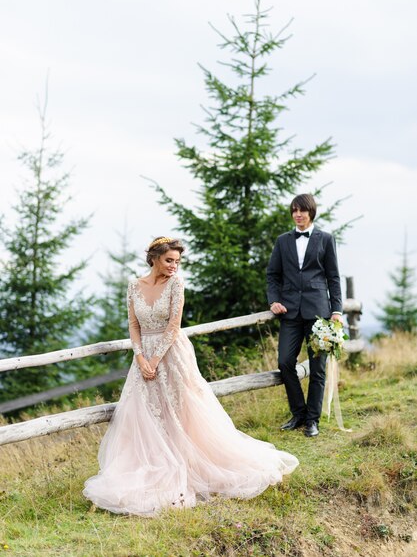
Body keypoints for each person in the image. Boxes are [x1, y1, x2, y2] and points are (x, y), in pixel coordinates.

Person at [83, 236, 298, 516]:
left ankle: (192, 464)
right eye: (169, 260)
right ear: (154, 259)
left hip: (171, 354)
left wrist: (155, 359)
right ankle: (151, 465)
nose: (174, 266)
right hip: (143, 357)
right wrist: (140, 357)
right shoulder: (134, 286)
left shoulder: (176, 284)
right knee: (146, 412)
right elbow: (133, 324)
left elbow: (174, 325)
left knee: (181, 409)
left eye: (177, 261)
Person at [266, 194, 343, 438]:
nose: (298, 214)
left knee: (318, 368)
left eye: (302, 210)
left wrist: (337, 310)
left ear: (311, 212)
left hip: (319, 313)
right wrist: (274, 300)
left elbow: (333, 277)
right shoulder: (282, 241)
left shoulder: (326, 239)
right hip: (290, 311)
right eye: (294, 210)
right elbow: (273, 275)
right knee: (285, 362)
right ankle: (299, 413)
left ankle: (312, 420)